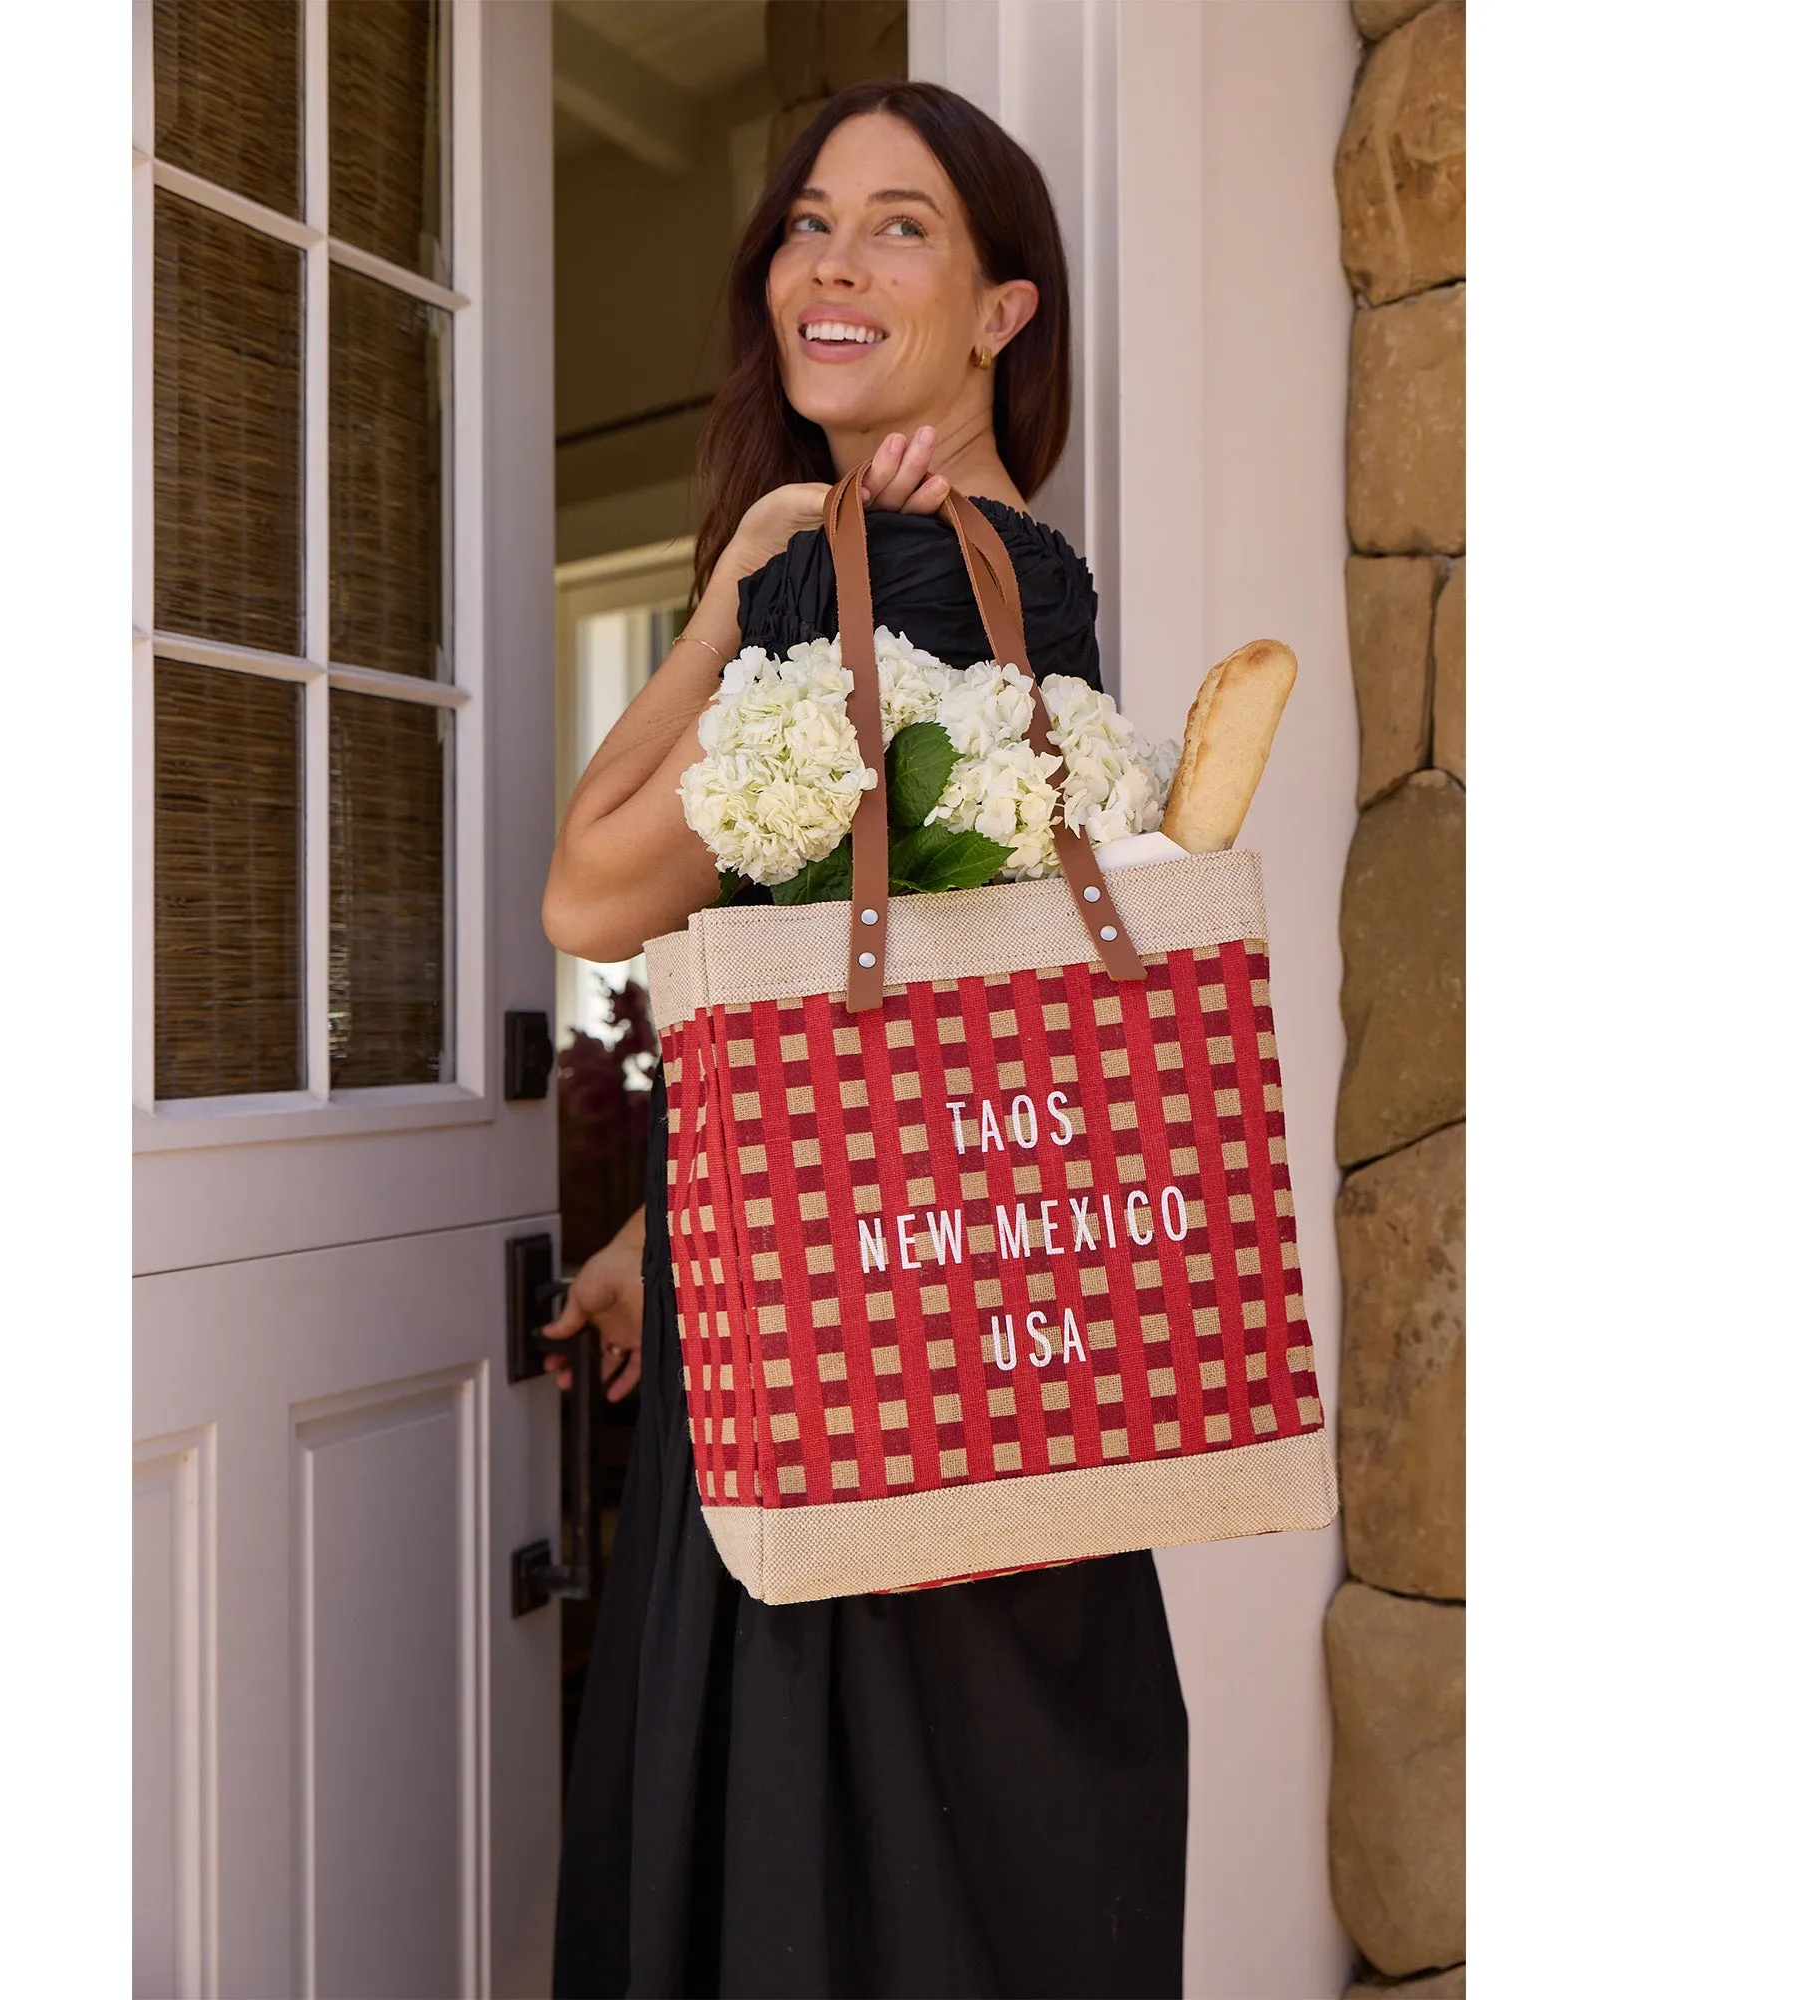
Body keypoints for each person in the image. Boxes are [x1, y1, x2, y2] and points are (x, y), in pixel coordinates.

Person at [540, 80, 1188, 2000]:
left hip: (843, 1377)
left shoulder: (882, 573)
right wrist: (662, 1226)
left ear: (1005, 311)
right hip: (940, 1324)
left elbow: (587, 891)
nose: (832, 260)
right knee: (958, 1883)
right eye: (813, 219)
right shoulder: (1001, 567)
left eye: (903, 226)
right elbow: (894, 999)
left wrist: (749, 572)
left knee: (822, 1884)